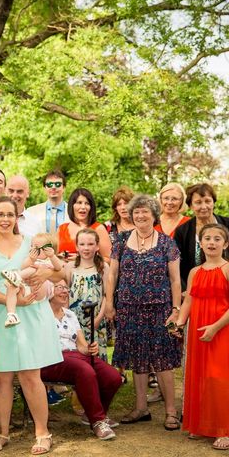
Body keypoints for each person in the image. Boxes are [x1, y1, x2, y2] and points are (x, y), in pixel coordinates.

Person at [0, 196, 62, 455]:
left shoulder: (30, 244)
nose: (4, 219)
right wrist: (12, 302)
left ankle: (42, 432)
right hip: (0, 312)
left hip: (32, 313)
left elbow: (58, 270)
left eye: (9, 214)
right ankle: (3, 432)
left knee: (30, 375)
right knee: (2, 376)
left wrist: (45, 275)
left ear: (16, 217)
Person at [104, 194, 181, 431]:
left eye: (144, 211)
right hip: (128, 309)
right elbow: (112, 274)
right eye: (136, 212)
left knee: (163, 360)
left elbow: (176, 280)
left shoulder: (167, 243)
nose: (139, 215)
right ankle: (141, 408)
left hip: (160, 309)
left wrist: (176, 310)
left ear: (154, 215)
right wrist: (109, 302)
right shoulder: (121, 240)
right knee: (137, 359)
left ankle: (170, 412)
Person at [41, 281, 122, 440]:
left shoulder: (70, 314)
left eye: (66, 288)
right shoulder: (40, 314)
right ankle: (97, 421)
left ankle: (91, 415)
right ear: (49, 290)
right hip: (52, 357)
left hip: (76, 356)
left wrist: (90, 349)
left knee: (113, 377)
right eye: (60, 287)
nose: (65, 291)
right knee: (85, 371)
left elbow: (81, 345)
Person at [173, 223, 229, 451]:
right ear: (201, 243)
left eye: (217, 239)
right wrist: (178, 324)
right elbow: (189, 301)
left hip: (221, 330)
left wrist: (215, 327)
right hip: (197, 331)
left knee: (220, 379)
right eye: (207, 238)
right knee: (200, 377)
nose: (212, 242)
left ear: (225, 244)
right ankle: (201, 425)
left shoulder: (227, 269)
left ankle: (224, 429)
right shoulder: (195, 272)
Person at [62, 229, 110, 361]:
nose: (86, 248)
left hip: (95, 321)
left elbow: (106, 296)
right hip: (74, 321)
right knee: (78, 355)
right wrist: (66, 319)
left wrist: (99, 318)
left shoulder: (103, 267)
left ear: (97, 246)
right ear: (76, 246)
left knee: (95, 354)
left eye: (90, 244)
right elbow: (66, 294)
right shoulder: (70, 267)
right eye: (82, 244)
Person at [2, 232, 63, 327]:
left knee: (35, 268)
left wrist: (52, 256)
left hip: (42, 291)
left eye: (37, 247)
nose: (32, 249)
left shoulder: (49, 260)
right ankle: (11, 315)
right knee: (11, 288)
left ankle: (16, 277)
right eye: (31, 246)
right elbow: (22, 267)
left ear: (49, 250)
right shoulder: (32, 259)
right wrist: (31, 259)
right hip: (28, 290)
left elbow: (59, 267)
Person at [174, 183, 229, 288]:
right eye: (198, 202)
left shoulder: (227, 225)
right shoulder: (182, 231)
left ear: (213, 203)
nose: (204, 206)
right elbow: (175, 265)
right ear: (190, 206)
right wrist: (185, 289)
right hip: (195, 288)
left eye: (208, 201)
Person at [57, 188, 111, 262]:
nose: (83, 207)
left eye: (87, 203)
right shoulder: (62, 228)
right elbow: (54, 255)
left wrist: (83, 260)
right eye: (79, 203)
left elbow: (109, 259)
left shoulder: (98, 228)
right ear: (71, 206)